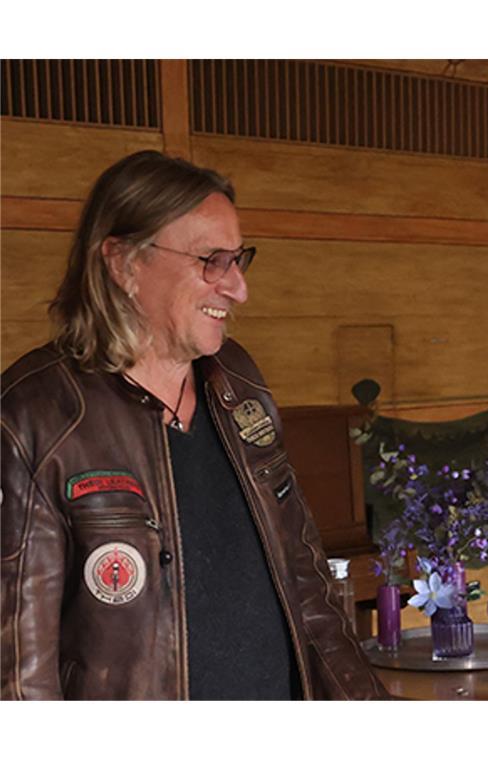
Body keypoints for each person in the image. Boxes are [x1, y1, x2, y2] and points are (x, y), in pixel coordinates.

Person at [1, 151, 386, 700]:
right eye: (211, 260)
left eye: (238, 260)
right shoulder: (36, 415)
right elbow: (18, 677)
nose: (237, 288)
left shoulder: (238, 383)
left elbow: (308, 592)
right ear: (123, 263)